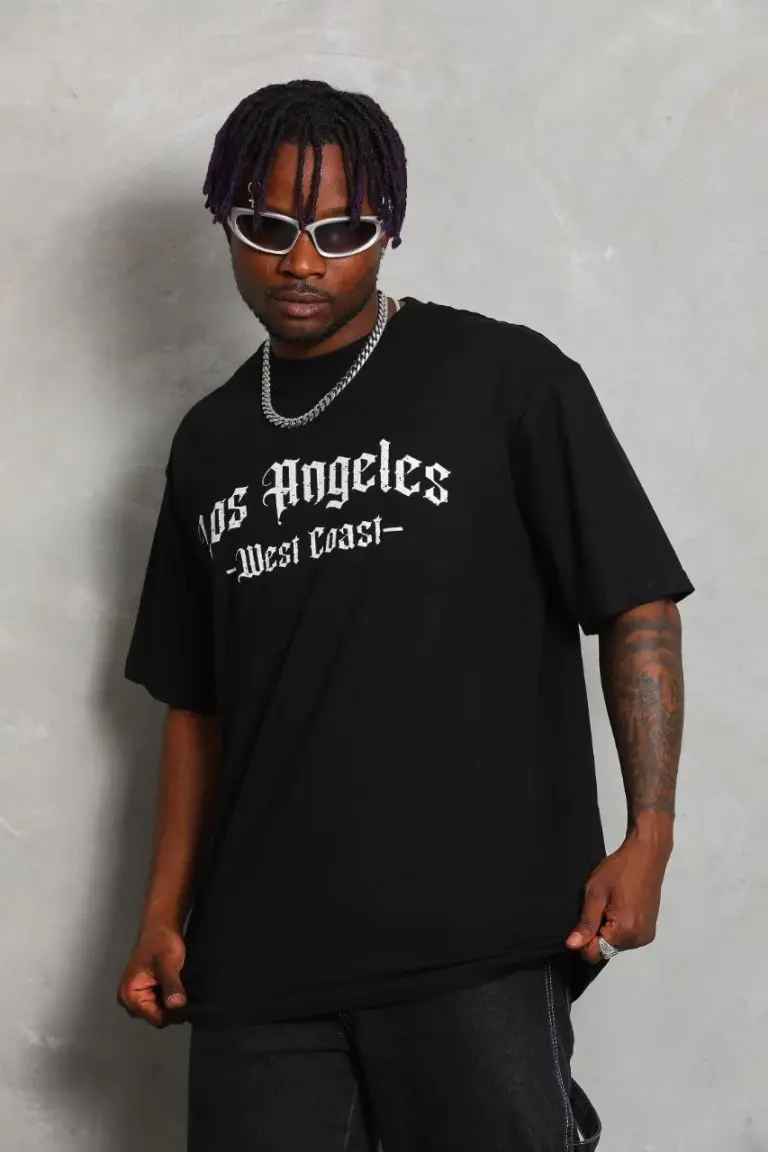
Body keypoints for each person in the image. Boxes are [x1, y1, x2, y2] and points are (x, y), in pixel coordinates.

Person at [116, 78, 694, 1152]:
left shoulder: (505, 379)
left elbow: (636, 602)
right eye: (268, 227)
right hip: (257, 963)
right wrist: (161, 913)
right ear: (226, 223)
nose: (302, 261)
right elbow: (196, 706)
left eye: (342, 231)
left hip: (474, 940)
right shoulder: (209, 443)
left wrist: (649, 831)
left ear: (387, 229)